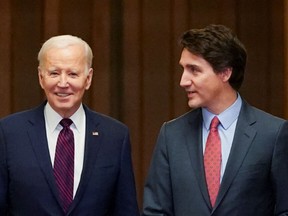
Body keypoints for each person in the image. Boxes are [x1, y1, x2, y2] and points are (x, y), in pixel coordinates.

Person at [142, 24, 288, 215]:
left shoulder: (273, 134)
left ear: (225, 72)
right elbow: (155, 211)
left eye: (194, 70)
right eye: (183, 69)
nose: (183, 81)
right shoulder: (171, 135)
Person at [0, 35, 139, 215]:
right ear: (41, 77)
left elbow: (125, 210)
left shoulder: (114, 136)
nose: (63, 83)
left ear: (88, 79)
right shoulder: (9, 133)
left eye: (73, 74)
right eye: (54, 73)